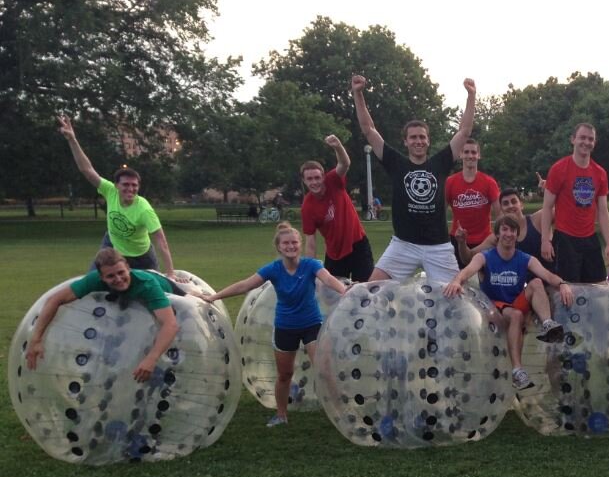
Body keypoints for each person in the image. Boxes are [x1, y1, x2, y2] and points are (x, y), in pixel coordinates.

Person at [201, 222, 348, 427]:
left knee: (323, 368)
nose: (291, 246)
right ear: (279, 247)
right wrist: (215, 296)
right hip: (285, 327)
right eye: (286, 243)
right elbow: (245, 285)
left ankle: (341, 411)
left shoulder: (311, 265)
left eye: (295, 242)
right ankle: (281, 414)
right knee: (285, 374)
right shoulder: (273, 269)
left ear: (300, 244)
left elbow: (329, 279)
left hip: (312, 325)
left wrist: (344, 291)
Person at [352, 74, 476, 285]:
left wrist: (471, 96)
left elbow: (464, 132)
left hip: (438, 246)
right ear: (406, 142)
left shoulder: (440, 162)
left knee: (455, 300)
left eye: (422, 137)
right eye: (413, 137)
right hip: (404, 245)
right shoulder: (396, 162)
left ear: (428, 141)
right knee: (372, 290)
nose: (418, 141)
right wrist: (358, 93)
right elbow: (368, 129)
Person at [443, 215, 572, 390]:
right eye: (504, 229)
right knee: (516, 315)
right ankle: (517, 371)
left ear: (516, 235)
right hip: (493, 309)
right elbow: (467, 271)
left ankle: (547, 323)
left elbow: (547, 275)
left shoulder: (525, 258)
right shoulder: (485, 257)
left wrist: (562, 284)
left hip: (514, 304)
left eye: (512, 230)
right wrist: (457, 281)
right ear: (497, 234)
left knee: (536, 283)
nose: (509, 234)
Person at [25, 248, 182, 383]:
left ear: (128, 267)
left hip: (168, 289)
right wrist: (36, 339)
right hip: (128, 304)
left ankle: (191, 289)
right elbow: (55, 300)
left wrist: (151, 359)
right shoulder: (93, 280)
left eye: (121, 272)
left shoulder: (147, 285)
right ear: (101, 277)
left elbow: (171, 325)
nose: (118, 279)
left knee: (192, 297)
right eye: (111, 276)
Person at [58, 116, 177, 279]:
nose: (131, 188)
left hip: (140, 254)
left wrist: (170, 273)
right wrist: (72, 139)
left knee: (153, 287)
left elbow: (161, 241)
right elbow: (87, 169)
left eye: (134, 185)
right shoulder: (110, 191)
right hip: (112, 244)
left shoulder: (143, 209)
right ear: (116, 185)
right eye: (126, 184)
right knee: (93, 280)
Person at [540, 123, 609, 283]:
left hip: (590, 238)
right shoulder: (559, 169)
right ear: (573, 139)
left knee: (598, 286)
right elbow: (547, 207)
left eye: (590, 139)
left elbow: (602, 210)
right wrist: (545, 240)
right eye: (582, 137)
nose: (586, 142)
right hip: (565, 238)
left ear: (594, 143)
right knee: (568, 288)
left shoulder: (600, 173)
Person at [300, 135, 374, 282]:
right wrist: (309, 269)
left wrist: (338, 146)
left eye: (317, 177)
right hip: (335, 254)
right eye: (309, 179)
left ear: (323, 177)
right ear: (304, 181)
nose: (314, 182)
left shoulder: (333, 181)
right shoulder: (307, 206)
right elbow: (310, 242)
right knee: (334, 295)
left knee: (365, 289)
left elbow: (345, 163)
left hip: (358, 244)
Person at [446, 138, 501, 261]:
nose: (470, 156)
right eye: (466, 152)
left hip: (484, 241)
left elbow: (500, 215)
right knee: (458, 278)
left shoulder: (489, 182)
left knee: (483, 278)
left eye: (473, 152)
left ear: (479, 155)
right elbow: (439, 214)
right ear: (460, 154)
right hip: (457, 239)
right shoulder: (450, 182)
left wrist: (498, 237)